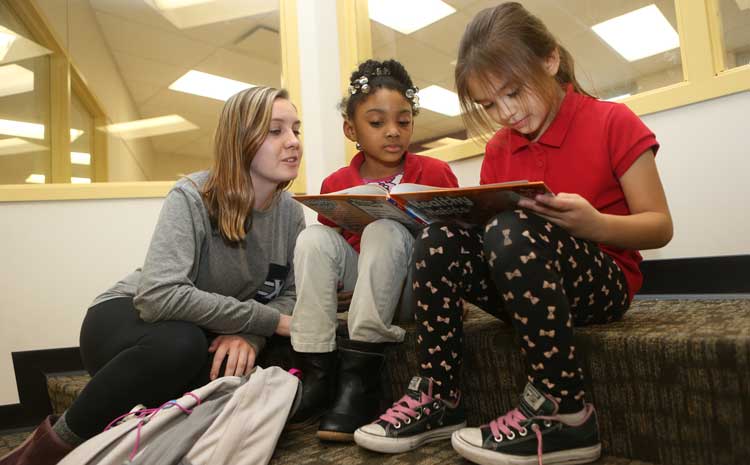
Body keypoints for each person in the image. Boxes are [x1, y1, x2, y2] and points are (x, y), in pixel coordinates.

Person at [353, 3, 673, 465]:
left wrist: (595, 225)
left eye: (514, 93)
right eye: (489, 105)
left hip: (603, 284)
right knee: (439, 236)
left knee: (511, 228)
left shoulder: (612, 122)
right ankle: (439, 397)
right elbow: (485, 235)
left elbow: (660, 226)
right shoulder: (502, 146)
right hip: (522, 283)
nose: (506, 114)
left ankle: (566, 414)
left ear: (550, 61)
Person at [1, 86, 306, 465]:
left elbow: (290, 293)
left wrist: (249, 334)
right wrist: (267, 320)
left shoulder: (290, 212)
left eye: (296, 129)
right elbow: (159, 296)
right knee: (183, 344)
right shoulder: (192, 195)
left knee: (297, 353)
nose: (293, 141)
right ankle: (40, 454)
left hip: (208, 331)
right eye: (276, 131)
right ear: (240, 140)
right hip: (129, 321)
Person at [289, 59, 458, 442]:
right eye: (377, 123)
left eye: (404, 121)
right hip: (362, 292)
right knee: (312, 239)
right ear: (352, 129)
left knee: (385, 228)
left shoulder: (434, 173)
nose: (393, 132)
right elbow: (330, 252)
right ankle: (315, 369)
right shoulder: (337, 182)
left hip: (414, 292)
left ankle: (360, 377)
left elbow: (455, 240)